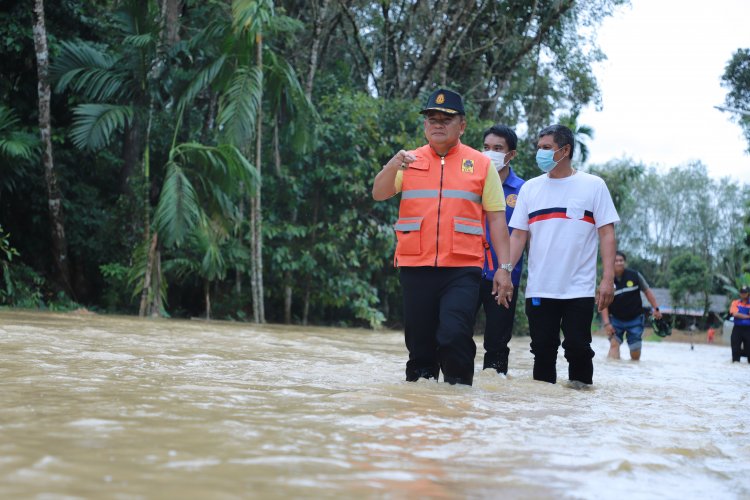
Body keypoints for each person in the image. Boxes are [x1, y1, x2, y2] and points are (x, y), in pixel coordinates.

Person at [372, 88, 514, 386]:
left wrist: (504, 268)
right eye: (431, 119)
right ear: (425, 125)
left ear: (461, 126)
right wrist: (393, 163)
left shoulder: (480, 164)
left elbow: (497, 218)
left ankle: (459, 398)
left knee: (453, 335)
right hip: (415, 266)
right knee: (420, 345)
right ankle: (424, 411)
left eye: (446, 119)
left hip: (462, 269)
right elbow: (379, 192)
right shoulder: (408, 161)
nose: (437, 124)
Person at [507, 124, 619, 386]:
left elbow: (607, 234)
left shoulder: (593, 186)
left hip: (578, 289)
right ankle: (546, 415)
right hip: (539, 289)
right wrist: (505, 271)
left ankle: (578, 413)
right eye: (539, 148)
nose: (540, 153)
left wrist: (607, 278)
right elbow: (518, 236)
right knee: (543, 352)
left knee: (579, 349)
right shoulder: (530, 189)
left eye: (546, 148)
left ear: (565, 150)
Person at [475, 125, 525, 375]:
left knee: (496, 343)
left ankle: (495, 400)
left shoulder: (524, 190)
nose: (490, 153)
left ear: (511, 154)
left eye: (497, 149)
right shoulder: (470, 183)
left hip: (504, 277)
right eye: (485, 148)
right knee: (454, 335)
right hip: (467, 273)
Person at [601, 251, 662, 361]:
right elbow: (603, 303)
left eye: (621, 260)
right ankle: (614, 372)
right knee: (614, 345)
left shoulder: (635, 276)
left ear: (625, 262)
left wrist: (656, 309)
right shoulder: (607, 280)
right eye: (616, 261)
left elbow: (647, 292)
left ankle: (633, 372)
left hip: (635, 319)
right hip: (616, 320)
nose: (619, 263)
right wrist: (606, 323)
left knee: (635, 352)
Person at [729, 285, 750, 363]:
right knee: (735, 349)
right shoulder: (735, 302)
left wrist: (740, 315)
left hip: (748, 329)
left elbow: (738, 314)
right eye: (742, 292)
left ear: (748, 293)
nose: (743, 294)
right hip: (737, 328)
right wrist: (748, 316)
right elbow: (735, 314)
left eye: (745, 292)